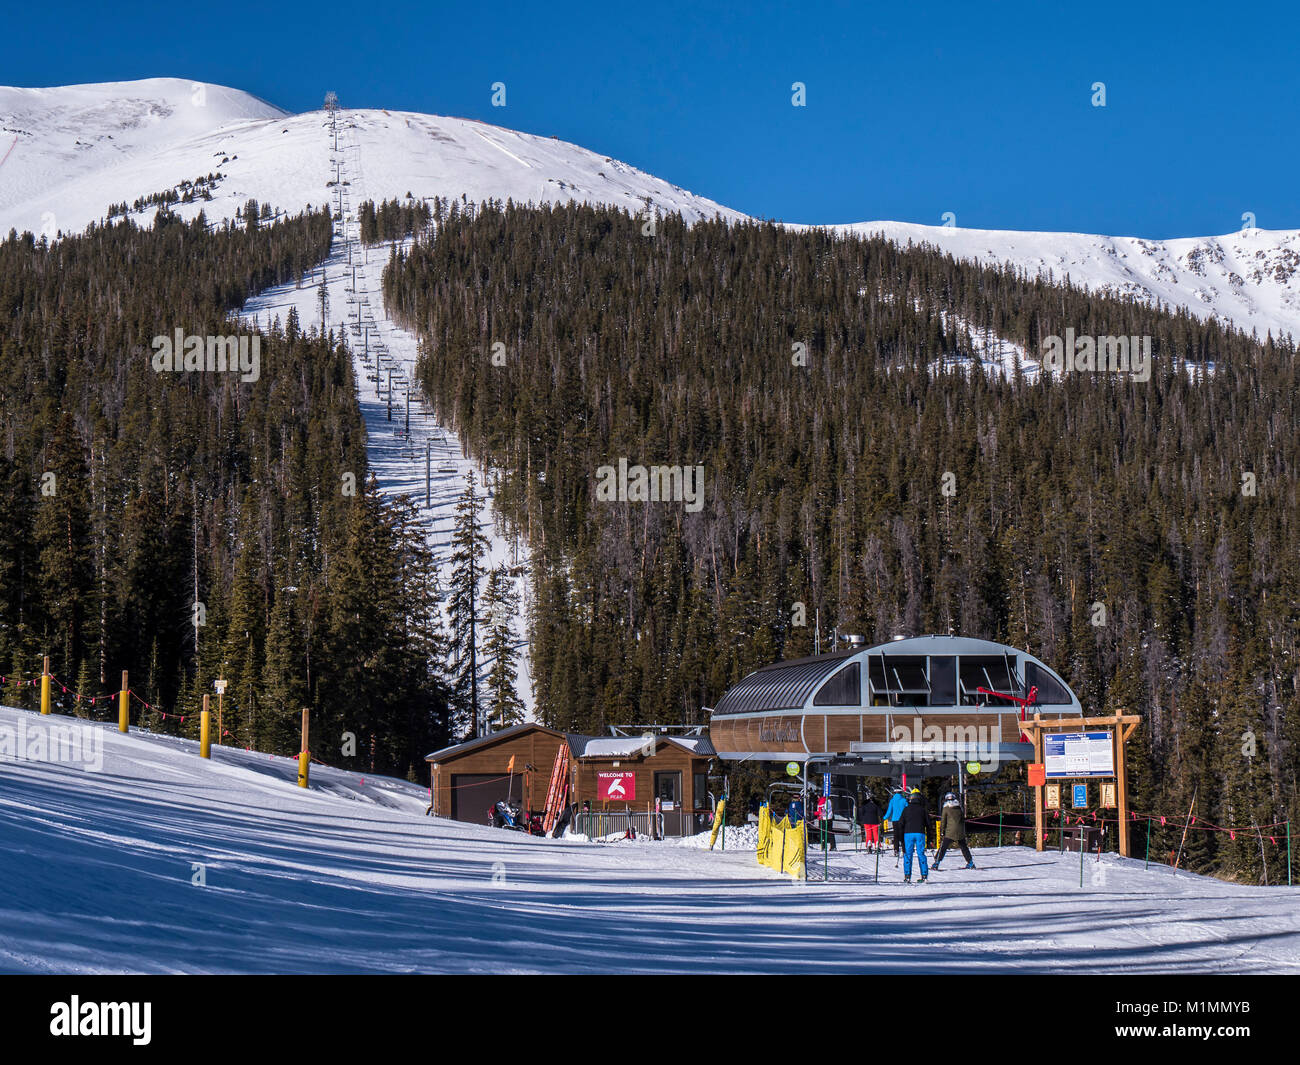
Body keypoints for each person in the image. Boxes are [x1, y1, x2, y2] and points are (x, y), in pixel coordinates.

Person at [932, 791, 975, 870]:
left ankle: (936, 863)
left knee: (943, 847)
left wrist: (942, 831)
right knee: (963, 847)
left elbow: (943, 821)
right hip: (960, 830)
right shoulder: (959, 807)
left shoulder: (946, 808)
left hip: (950, 832)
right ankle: (970, 862)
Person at [898, 787, 930, 883]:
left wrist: (901, 839)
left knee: (908, 854)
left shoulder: (906, 809)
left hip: (908, 834)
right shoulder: (923, 810)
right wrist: (930, 838)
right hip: (920, 833)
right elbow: (928, 824)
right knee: (921, 854)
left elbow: (901, 824)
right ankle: (924, 875)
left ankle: (907, 876)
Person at [883, 785, 908, 857]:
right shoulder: (904, 800)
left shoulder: (892, 801)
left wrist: (884, 818)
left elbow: (889, 811)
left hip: (895, 820)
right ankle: (904, 851)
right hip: (903, 820)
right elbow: (907, 809)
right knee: (903, 836)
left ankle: (896, 850)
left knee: (896, 836)